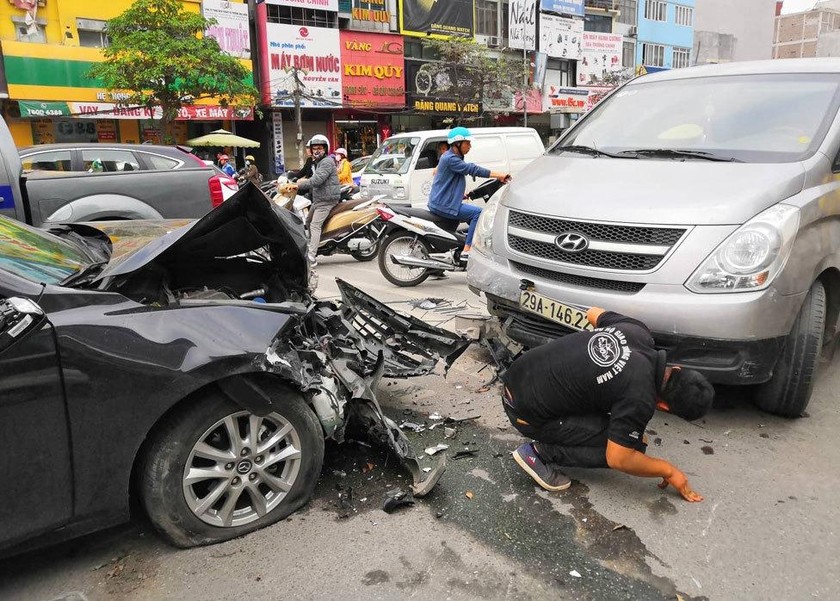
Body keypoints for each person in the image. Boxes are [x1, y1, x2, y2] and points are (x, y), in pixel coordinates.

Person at [502, 307, 715, 502]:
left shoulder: (637, 331)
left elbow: (593, 313)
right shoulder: (639, 397)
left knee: (622, 426)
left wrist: (593, 360)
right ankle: (539, 453)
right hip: (524, 413)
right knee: (633, 447)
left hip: (517, 376)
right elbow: (619, 459)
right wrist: (668, 470)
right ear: (665, 408)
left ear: (676, 368)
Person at [427, 127, 510, 262]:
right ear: (457, 143)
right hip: (444, 204)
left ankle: (438, 263)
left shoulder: (451, 157)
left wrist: (463, 195)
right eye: (467, 143)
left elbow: (449, 183)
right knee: (477, 214)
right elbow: (472, 169)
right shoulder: (450, 159)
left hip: (443, 202)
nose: (470, 146)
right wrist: (500, 175)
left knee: (451, 234)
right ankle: (467, 250)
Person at [287, 134, 341, 267]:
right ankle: (313, 246)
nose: (317, 150)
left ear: (325, 149)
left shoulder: (327, 162)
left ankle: (312, 256)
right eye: (314, 148)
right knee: (308, 221)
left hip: (327, 200)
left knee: (315, 225)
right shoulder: (317, 163)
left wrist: (298, 185)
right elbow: (304, 175)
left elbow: (317, 180)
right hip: (319, 200)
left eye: (320, 148)